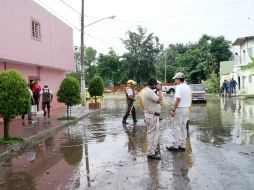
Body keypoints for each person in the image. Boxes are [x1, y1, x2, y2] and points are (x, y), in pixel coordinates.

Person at [166, 72, 191, 152]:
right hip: (186, 109)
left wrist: (173, 110)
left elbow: (178, 99)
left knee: (176, 127)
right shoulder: (188, 87)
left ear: (178, 79)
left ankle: (175, 145)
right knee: (184, 127)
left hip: (179, 109)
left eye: (175, 79)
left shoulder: (179, 87)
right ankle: (183, 145)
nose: (175, 81)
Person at [141, 78, 163, 160]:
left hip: (149, 114)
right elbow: (159, 100)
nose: (157, 86)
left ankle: (152, 150)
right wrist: (160, 90)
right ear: (153, 84)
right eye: (156, 84)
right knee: (153, 135)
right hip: (152, 115)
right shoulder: (149, 92)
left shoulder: (145, 90)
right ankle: (151, 153)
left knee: (151, 134)